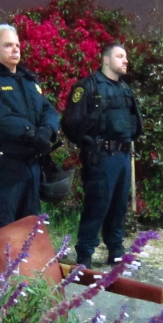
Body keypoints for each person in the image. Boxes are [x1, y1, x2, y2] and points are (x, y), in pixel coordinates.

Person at [0, 24, 60, 231]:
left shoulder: (28, 80)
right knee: (1, 231)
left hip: (31, 165)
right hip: (3, 166)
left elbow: (49, 110)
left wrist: (47, 131)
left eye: (17, 45)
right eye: (8, 45)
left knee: (29, 231)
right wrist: (31, 133)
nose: (15, 49)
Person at [62, 42, 143, 268]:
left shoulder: (124, 88)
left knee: (119, 206)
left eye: (125, 57)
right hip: (101, 156)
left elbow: (134, 121)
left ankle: (116, 251)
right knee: (97, 205)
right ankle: (85, 255)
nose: (125, 60)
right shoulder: (88, 86)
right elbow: (71, 123)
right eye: (120, 56)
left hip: (123, 156)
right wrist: (89, 144)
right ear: (106, 60)